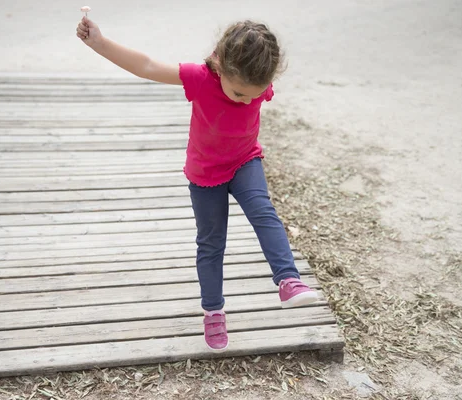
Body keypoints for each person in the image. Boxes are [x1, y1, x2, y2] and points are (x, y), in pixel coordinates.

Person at [77, 16, 320, 352]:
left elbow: (250, 91)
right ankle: (213, 311)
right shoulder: (200, 78)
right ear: (219, 65)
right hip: (206, 174)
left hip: (244, 161)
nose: (246, 101)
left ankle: (288, 280)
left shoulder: (255, 81)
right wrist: (99, 43)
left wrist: (249, 93)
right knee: (211, 243)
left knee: (264, 212)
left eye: (255, 95)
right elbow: (146, 65)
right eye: (238, 93)